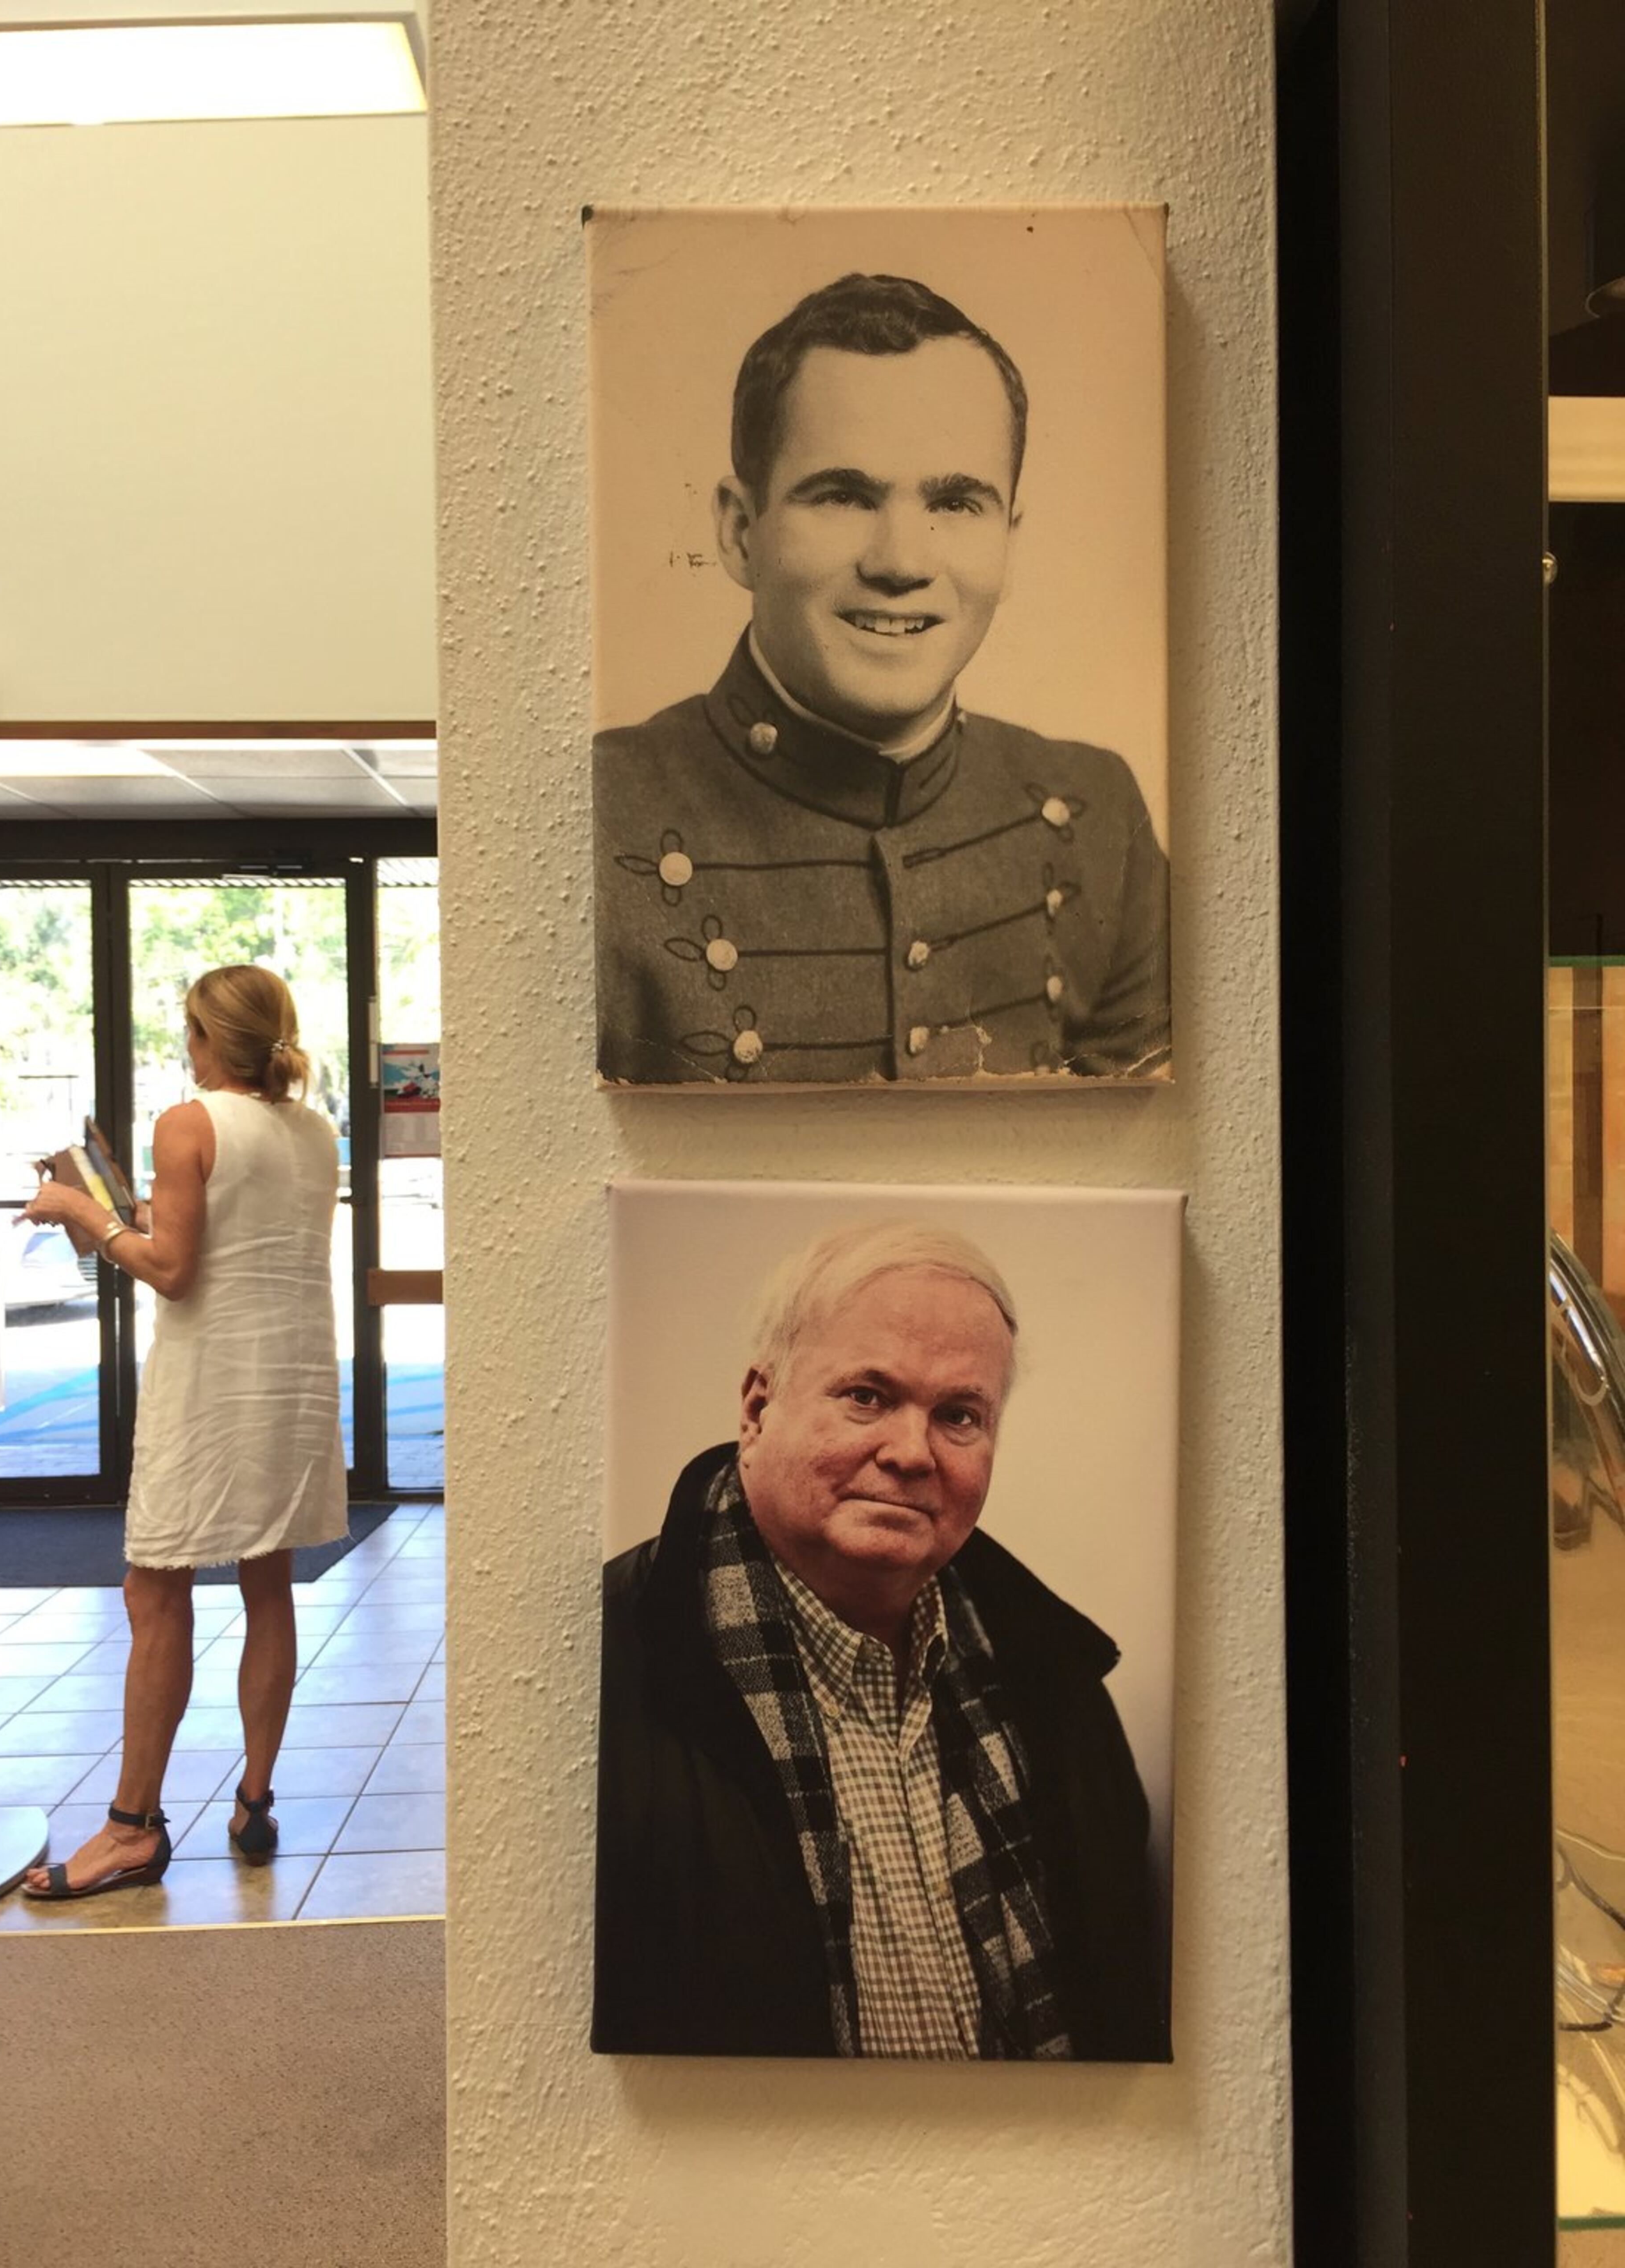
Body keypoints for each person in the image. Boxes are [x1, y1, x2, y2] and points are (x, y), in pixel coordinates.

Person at [594, 1220, 1167, 2060]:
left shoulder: (1060, 1680)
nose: (911, 1452)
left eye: (960, 1416)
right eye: (868, 1396)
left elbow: (1124, 2005)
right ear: (759, 1408)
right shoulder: (603, 1661)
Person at [593, 270, 1170, 1086]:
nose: (901, 562)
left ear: (1010, 539)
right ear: (739, 531)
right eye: (842, 496)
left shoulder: (1098, 814)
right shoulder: (595, 818)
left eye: (956, 503)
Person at [17, 964, 346, 1899]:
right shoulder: (313, 1130)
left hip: (209, 1391)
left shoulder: (189, 1119)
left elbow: (172, 1268)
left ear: (207, 1038)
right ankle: (252, 1799)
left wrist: (82, 1209)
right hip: (291, 1387)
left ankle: (131, 1828)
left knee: (153, 1589)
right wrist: (125, 1212)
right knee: (268, 1582)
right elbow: (225, 1231)